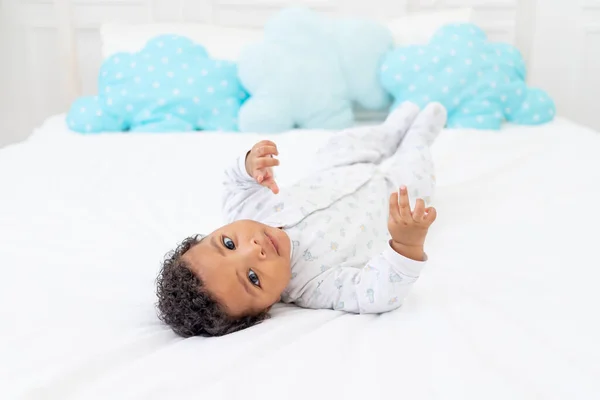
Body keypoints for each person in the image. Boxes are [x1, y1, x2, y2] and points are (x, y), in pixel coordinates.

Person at [155, 102, 447, 337]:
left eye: (228, 243)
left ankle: (389, 133)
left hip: (337, 170)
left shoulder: (246, 210)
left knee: (337, 146)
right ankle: (417, 141)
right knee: (417, 180)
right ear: (265, 309)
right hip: (392, 199)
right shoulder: (313, 286)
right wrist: (405, 244)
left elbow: (235, 182)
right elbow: (377, 294)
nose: (254, 249)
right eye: (253, 278)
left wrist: (249, 164)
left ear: (213, 232)